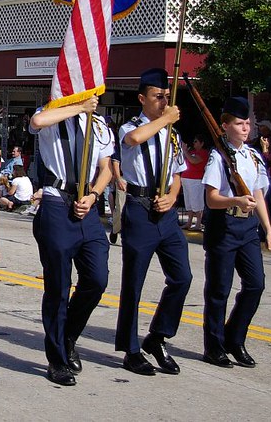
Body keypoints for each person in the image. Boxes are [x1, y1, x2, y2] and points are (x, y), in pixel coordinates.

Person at [29, 93, 112, 386]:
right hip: (55, 203)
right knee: (58, 288)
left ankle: (68, 336)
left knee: (97, 278)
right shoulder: (50, 114)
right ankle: (57, 359)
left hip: (86, 204)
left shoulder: (98, 124)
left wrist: (93, 196)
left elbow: (107, 168)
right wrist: (78, 107)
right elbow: (37, 121)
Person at [114, 68, 190, 377]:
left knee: (182, 277)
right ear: (143, 98)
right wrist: (165, 119)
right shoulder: (131, 126)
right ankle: (130, 350)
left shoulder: (171, 133)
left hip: (166, 213)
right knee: (134, 283)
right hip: (140, 208)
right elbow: (133, 139)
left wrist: (172, 196)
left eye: (167, 97)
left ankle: (157, 337)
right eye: (159, 97)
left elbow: (177, 175)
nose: (164, 102)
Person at [201, 97, 271, 368]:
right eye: (239, 124)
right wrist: (235, 201)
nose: (245, 128)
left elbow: (257, 193)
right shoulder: (218, 157)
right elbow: (211, 199)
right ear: (224, 126)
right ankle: (214, 346)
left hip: (247, 228)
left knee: (256, 284)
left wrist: (267, 228)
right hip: (225, 227)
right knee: (219, 290)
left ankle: (235, 337)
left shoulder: (253, 155)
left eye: (247, 123)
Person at [181, 135, 208, 232]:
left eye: (196, 141)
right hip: (186, 179)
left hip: (196, 180)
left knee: (196, 201)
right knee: (188, 202)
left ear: (202, 143)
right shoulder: (191, 152)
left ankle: (198, 223)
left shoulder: (203, 153)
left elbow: (194, 161)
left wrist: (185, 151)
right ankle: (189, 222)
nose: (194, 143)